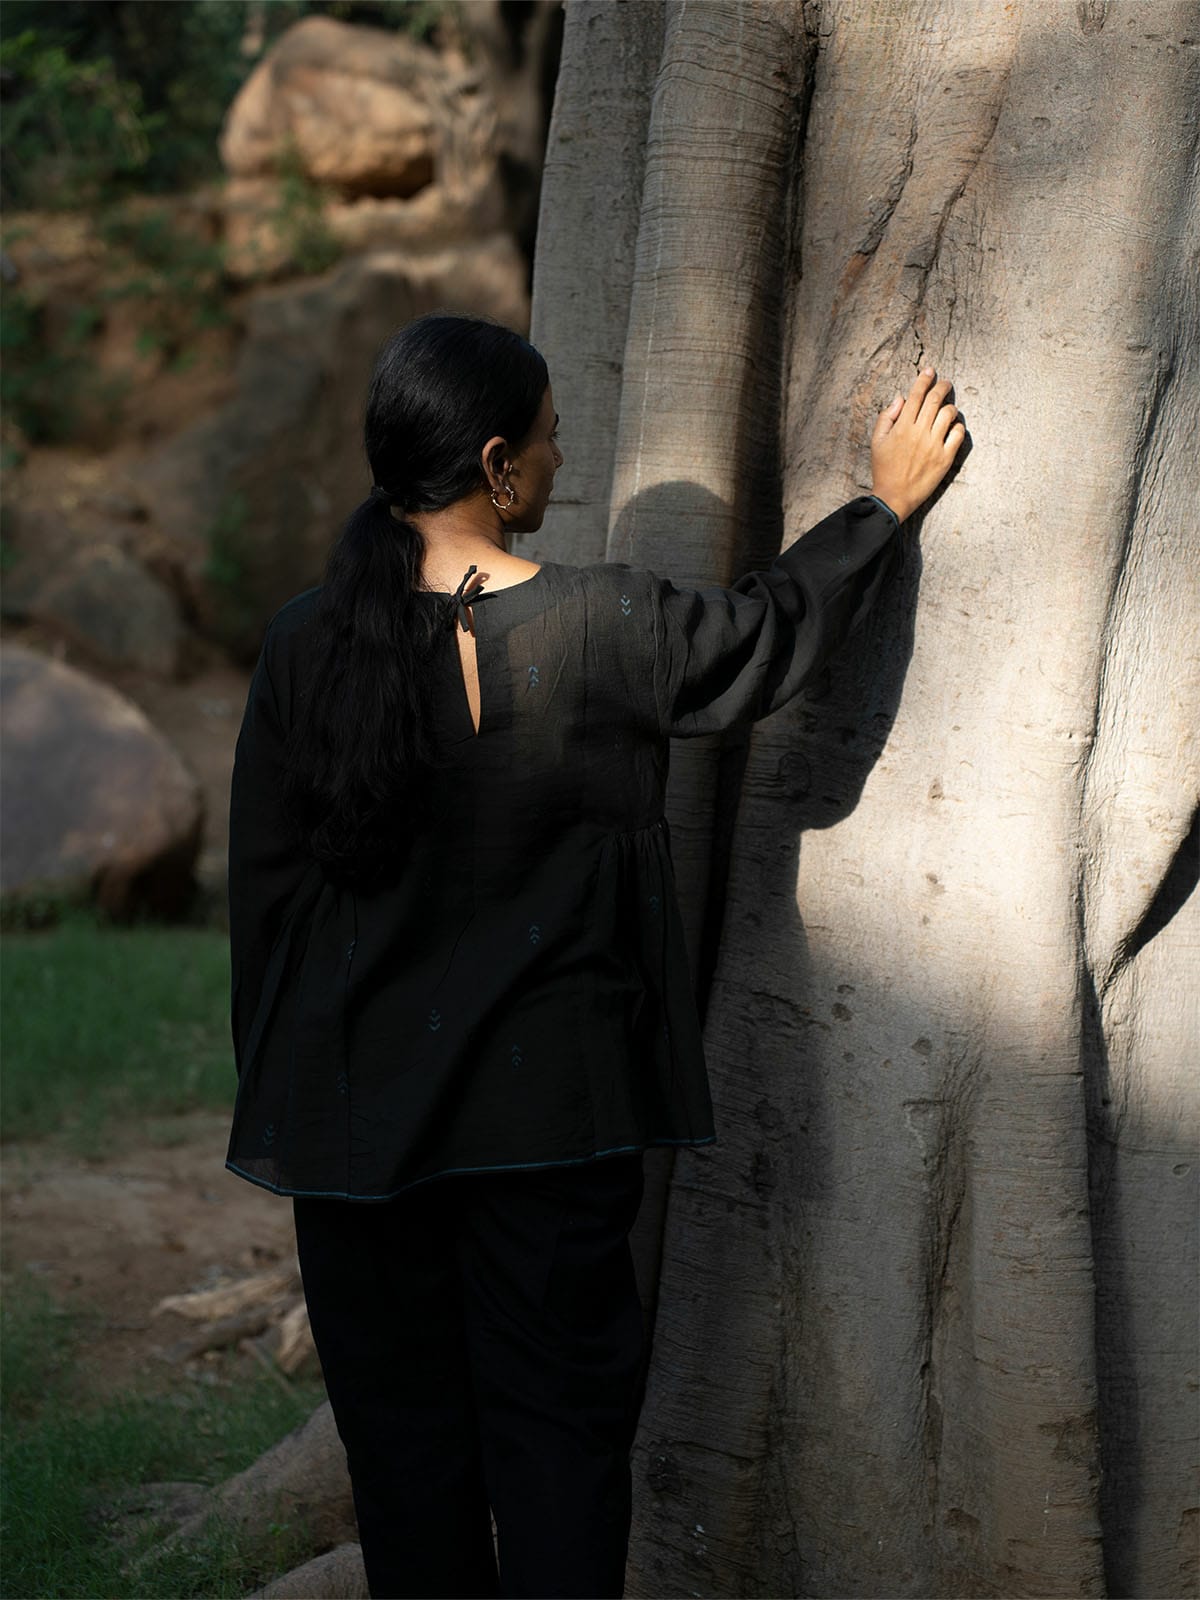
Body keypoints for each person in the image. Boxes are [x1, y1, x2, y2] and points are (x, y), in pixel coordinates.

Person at [224, 311, 964, 1599]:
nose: (566, 460)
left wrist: (304, 1109)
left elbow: (267, 906)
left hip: (359, 1141)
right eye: (555, 438)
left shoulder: (307, 643)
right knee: (562, 1461)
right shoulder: (613, 623)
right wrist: (885, 508)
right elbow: (767, 637)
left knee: (406, 1476)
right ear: (498, 464)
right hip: (552, 1135)